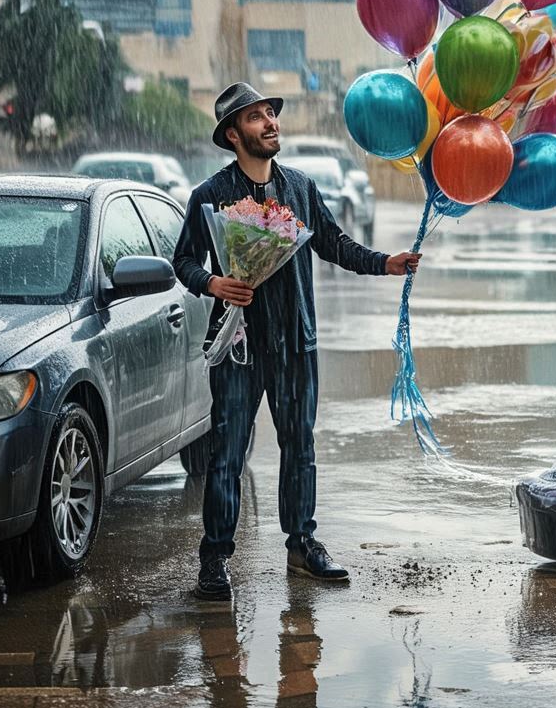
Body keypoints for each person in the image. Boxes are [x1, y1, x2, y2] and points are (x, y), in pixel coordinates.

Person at [173, 82, 421, 598]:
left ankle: (301, 545)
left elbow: (333, 244)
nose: (270, 123)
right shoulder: (210, 196)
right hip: (238, 348)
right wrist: (213, 283)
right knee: (227, 455)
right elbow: (184, 262)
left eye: (271, 113)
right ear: (232, 133)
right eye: (257, 117)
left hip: (295, 344)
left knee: (299, 448)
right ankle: (216, 558)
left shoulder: (302, 189)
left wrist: (384, 264)